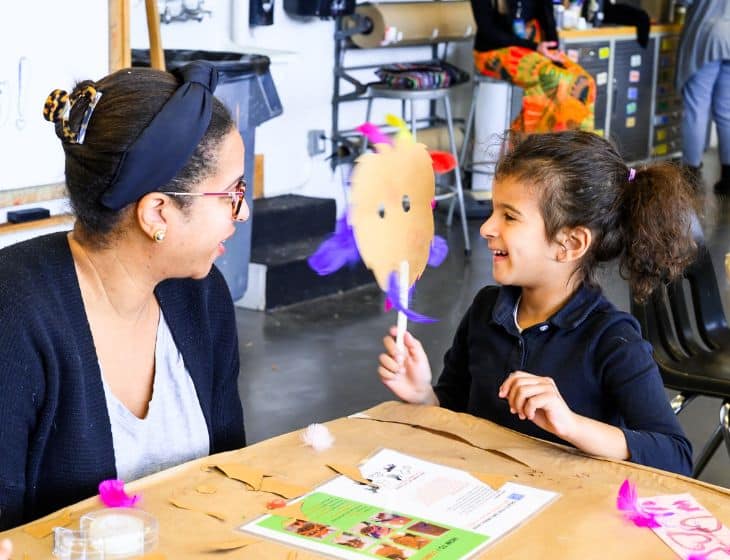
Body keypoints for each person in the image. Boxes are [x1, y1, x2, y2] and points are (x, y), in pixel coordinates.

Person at [0, 61, 248, 530]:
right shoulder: (12, 316)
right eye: (231, 194)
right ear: (157, 213)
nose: (243, 211)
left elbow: (231, 474)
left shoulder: (202, 299)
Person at [378, 131, 696, 476]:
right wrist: (424, 395)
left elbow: (674, 455)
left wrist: (570, 424)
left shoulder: (613, 340)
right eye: (492, 211)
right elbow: (454, 408)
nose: (486, 227)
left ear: (571, 243)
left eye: (509, 217)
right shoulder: (486, 311)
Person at [470, 0, 596, 133]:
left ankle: (579, 147)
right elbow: (488, 31)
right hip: (494, 52)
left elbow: (547, 18)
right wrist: (535, 47)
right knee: (560, 82)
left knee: (586, 82)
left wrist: (553, 51)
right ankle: (539, 146)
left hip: (535, 49)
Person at [676, 0, 730, 194]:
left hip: (708, 34)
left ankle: (691, 175)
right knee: (726, 111)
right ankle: (728, 176)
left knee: (695, 107)